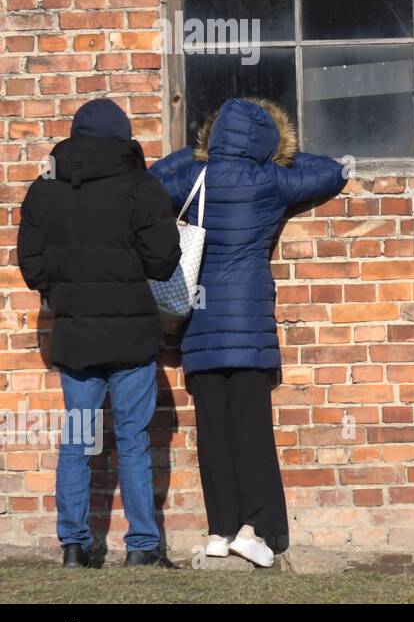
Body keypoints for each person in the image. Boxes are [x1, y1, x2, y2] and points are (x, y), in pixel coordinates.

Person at [150, 98, 347, 567]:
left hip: (199, 326)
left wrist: (201, 155)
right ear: (268, 142)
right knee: (253, 431)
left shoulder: (192, 179)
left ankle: (219, 529)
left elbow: (152, 178)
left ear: (214, 136)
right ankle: (256, 529)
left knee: (213, 432)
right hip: (250, 328)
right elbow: (333, 171)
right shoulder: (272, 180)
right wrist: (273, 156)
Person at [17, 98, 182, 568]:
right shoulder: (140, 187)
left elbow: (30, 263)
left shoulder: (45, 189)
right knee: (133, 440)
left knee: (77, 441)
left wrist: (62, 292)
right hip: (131, 338)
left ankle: (73, 545)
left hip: (76, 339)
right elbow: (164, 260)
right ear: (123, 138)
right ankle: (143, 548)